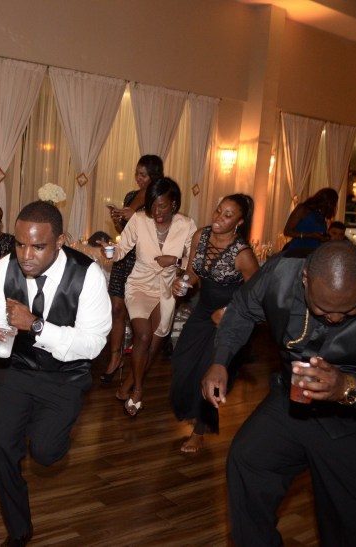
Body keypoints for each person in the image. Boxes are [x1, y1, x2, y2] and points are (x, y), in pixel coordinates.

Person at [201, 240, 356, 546]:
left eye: (349, 310)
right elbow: (242, 310)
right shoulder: (280, 271)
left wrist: (347, 386)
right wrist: (221, 360)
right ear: (305, 279)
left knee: (349, 527)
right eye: (323, 309)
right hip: (294, 405)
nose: (334, 319)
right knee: (249, 461)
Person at [0, 200, 111, 546]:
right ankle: (18, 530)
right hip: (14, 368)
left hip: (64, 375)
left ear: (60, 241)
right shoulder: (3, 269)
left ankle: (42, 429)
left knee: (47, 453)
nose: (26, 255)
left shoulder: (88, 275)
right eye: (20, 244)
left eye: (37, 246)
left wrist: (36, 325)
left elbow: (94, 343)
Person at [169, 194, 258, 453]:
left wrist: (229, 312)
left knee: (209, 373)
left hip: (229, 318)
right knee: (182, 361)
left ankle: (199, 431)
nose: (219, 218)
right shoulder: (201, 235)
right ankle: (191, 410)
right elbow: (193, 272)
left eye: (228, 215)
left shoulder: (243, 254)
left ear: (239, 222)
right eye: (218, 211)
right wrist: (183, 282)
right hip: (202, 310)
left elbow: (257, 295)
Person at [108, 177, 197, 416]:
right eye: (153, 205)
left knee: (154, 344)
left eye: (162, 206)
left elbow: (194, 262)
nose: (156, 211)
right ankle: (138, 390)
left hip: (167, 289)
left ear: (174, 204)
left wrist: (175, 261)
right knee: (143, 336)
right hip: (139, 284)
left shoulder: (187, 225)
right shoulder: (139, 219)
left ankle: (126, 386)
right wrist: (110, 250)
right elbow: (120, 250)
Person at [101, 154, 164, 384]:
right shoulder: (131, 196)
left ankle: (136, 369)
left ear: (154, 175)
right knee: (116, 309)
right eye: (137, 173)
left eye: (143, 175)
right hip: (124, 258)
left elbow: (160, 231)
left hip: (142, 262)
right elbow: (125, 232)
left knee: (138, 317)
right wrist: (117, 220)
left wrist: (135, 216)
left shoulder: (160, 198)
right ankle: (114, 358)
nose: (138, 178)